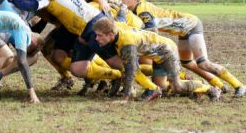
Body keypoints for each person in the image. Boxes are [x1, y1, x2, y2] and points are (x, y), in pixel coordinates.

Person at [119, 0, 246, 98]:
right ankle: (217, 84)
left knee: (203, 63)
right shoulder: (136, 9)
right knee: (187, 62)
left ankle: (239, 85)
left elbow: (152, 34)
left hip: (191, 25)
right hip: (183, 31)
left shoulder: (142, 11)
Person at [92, 18, 221, 102]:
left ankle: (210, 89)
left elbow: (130, 72)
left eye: (99, 35)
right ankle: (194, 87)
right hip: (157, 54)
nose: (96, 39)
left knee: (178, 87)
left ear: (110, 35)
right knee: (162, 87)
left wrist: (125, 98)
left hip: (167, 52)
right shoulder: (116, 28)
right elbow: (118, 19)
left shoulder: (126, 43)